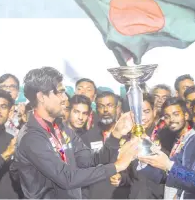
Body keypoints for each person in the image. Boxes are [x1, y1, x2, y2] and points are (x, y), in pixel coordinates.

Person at [14, 67, 138, 199]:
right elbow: (67, 178)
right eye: (60, 92)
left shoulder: (61, 128)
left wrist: (115, 135)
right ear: (42, 97)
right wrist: (117, 166)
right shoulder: (31, 137)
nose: (64, 98)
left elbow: (92, 160)